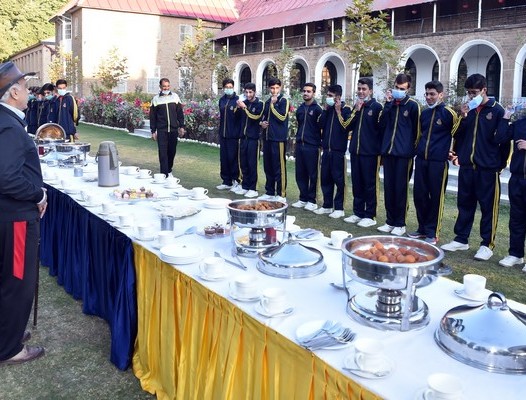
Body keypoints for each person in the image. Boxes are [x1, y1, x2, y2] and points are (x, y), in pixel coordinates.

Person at [0, 61, 47, 365]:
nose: (29, 92)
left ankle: (9, 333)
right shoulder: (7, 125)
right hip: (16, 218)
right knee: (18, 281)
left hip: (11, 214)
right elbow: (6, 177)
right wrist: (38, 194)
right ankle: (9, 348)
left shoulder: (7, 121)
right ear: (14, 92)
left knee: (10, 279)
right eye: (25, 87)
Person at [441, 74, 510, 260]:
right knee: (464, 205)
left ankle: (487, 245)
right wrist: (462, 117)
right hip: (467, 167)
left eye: (474, 92)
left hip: (488, 169)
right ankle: (461, 239)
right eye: (469, 93)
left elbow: (504, 141)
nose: (471, 96)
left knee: (488, 208)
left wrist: (500, 165)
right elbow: (456, 135)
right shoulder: (468, 110)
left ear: (484, 90)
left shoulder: (497, 110)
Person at [409, 80, 460, 244]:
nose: (429, 97)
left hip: (438, 162)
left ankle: (433, 232)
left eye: (432, 94)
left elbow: (458, 133)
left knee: (436, 197)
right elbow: (419, 135)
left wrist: (454, 152)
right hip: (421, 160)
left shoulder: (449, 113)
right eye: (427, 94)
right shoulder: (424, 113)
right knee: (420, 195)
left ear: (440, 95)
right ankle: (422, 229)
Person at [377, 73, 421, 236]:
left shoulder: (413, 106)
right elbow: (381, 124)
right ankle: (390, 221)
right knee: (389, 188)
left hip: (404, 155)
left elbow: (418, 131)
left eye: (402, 88)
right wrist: (388, 104)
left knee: (400, 189)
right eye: (396, 87)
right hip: (388, 152)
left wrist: (411, 151)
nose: (398, 90)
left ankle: (400, 223)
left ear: (408, 89)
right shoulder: (390, 104)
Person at [344, 77, 383, 227]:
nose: (361, 92)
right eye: (359, 89)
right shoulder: (356, 106)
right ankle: (357, 212)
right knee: (357, 183)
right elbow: (348, 126)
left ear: (370, 91)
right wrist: (356, 111)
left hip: (370, 153)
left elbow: (382, 130)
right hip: (356, 150)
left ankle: (370, 215)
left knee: (369, 184)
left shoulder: (377, 107)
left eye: (364, 89)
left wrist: (379, 151)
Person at [315, 84, 352, 218]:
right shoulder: (328, 109)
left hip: (338, 151)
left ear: (338, 97)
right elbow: (320, 124)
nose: (328, 98)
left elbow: (346, 127)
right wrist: (325, 110)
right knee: (325, 178)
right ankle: (327, 205)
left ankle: (339, 208)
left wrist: (338, 112)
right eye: (328, 95)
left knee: (339, 180)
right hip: (326, 150)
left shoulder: (346, 109)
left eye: (331, 96)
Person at [291, 83, 323, 211]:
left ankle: (312, 200)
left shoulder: (318, 109)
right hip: (300, 145)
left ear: (313, 93)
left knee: (313, 174)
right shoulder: (300, 109)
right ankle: (303, 198)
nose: (305, 93)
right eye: (304, 91)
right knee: (300, 173)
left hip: (312, 146)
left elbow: (322, 128)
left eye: (308, 91)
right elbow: (299, 125)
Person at [259, 78, 290, 202]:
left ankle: (281, 194)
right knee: (268, 166)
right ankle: (270, 192)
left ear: (280, 88)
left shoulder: (284, 101)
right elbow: (263, 116)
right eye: (272, 88)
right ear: (269, 88)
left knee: (279, 167)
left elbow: (282, 117)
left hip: (278, 139)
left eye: (277, 88)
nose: (274, 90)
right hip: (267, 138)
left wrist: (273, 105)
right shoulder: (267, 101)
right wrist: (262, 123)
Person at [150, 78, 185, 177]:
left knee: (172, 152)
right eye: (164, 86)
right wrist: (153, 131)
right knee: (162, 153)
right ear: (160, 87)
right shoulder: (156, 99)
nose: (166, 88)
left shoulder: (175, 97)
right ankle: (164, 174)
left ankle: (169, 170)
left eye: (168, 86)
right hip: (162, 130)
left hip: (173, 130)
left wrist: (181, 126)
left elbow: (180, 113)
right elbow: (153, 117)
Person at [235, 82, 263, 198]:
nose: (248, 94)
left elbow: (255, 117)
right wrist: (237, 108)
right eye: (246, 92)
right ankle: (245, 186)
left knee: (252, 164)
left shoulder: (259, 104)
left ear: (254, 92)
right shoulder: (244, 103)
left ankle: (253, 188)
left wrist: (244, 108)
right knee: (243, 163)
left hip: (253, 138)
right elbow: (236, 117)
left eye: (250, 92)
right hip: (243, 137)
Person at [216, 78, 240, 191]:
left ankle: (236, 180)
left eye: (230, 87)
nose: (228, 89)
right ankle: (226, 181)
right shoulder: (222, 100)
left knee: (233, 158)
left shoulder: (237, 100)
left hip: (233, 135)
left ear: (233, 87)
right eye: (226, 87)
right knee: (224, 158)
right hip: (223, 134)